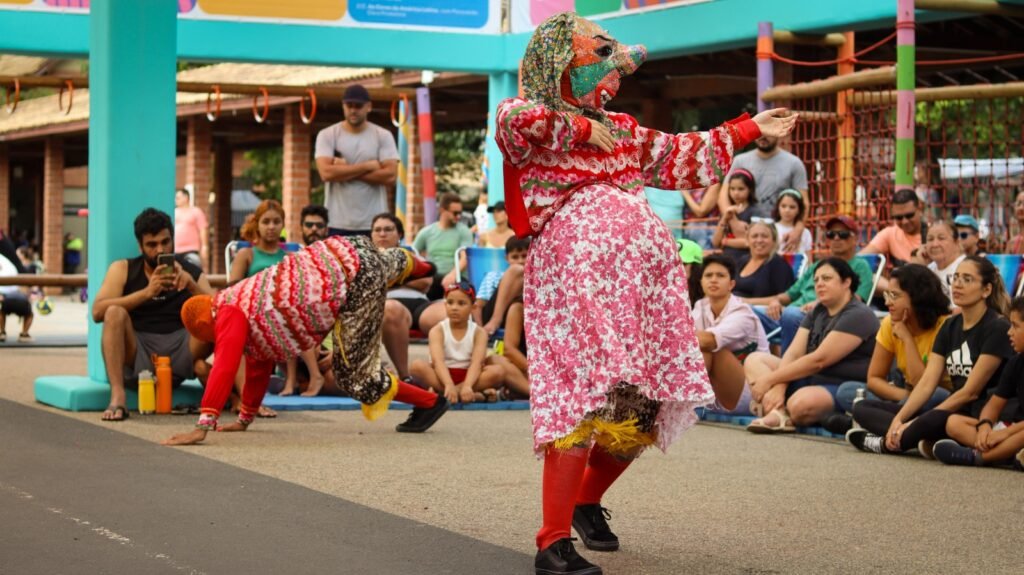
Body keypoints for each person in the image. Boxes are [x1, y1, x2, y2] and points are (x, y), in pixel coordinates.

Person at [494, 13, 796, 574]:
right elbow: (522, 125)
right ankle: (552, 542)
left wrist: (754, 128)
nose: (611, 78)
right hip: (575, 280)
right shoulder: (523, 113)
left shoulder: (625, 128)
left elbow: (685, 155)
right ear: (557, 63)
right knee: (582, 399)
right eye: (596, 59)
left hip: (643, 288)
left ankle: (585, 503)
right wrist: (584, 129)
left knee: (644, 400)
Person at [163, 235, 445, 446]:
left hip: (355, 279)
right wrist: (245, 418)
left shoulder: (227, 314)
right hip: (344, 250)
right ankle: (423, 267)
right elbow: (259, 367)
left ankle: (430, 403)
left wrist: (203, 425)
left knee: (355, 376)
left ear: (204, 326)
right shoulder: (242, 307)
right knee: (384, 260)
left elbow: (225, 367)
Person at [847, 256, 1012, 457]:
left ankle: (886, 443)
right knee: (862, 407)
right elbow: (926, 383)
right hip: (955, 411)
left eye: (967, 280)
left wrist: (920, 420)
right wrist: (900, 418)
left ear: (986, 290)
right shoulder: (950, 326)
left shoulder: (997, 327)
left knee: (935, 419)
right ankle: (917, 438)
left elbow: (970, 392)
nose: (958, 284)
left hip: (982, 416)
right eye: (956, 278)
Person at [92, 208, 215, 422]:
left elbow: (221, 310)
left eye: (165, 242)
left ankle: (243, 397)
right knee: (113, 312)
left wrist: (192, 287)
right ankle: (118, 396)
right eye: (152, 245)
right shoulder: (123, 268)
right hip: (139, 350)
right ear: (140, 246)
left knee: (219, 314)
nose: (160, 249)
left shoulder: (190, 271)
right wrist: (146, 293)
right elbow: (97, 312)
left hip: (183, 349)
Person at [744, 258, 879, 431]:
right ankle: (779, 413)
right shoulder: (817, 310)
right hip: (812, 378)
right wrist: (779, 387)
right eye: (816, 280)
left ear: (847, 282)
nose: (819, 284)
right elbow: (793, 354)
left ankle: (779, 410)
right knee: (755, 360)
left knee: (800, 404)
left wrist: (770, 379)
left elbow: (819, 360)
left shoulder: (858, 314)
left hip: (843, 385)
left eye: (827, 279)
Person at [823, 264, 952, 435]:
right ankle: (905, 427)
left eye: (895, 296)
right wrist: (905, 397)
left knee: (936, 396)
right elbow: (874, 379)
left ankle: (869, 423)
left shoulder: (945, 326)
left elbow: (923, 385)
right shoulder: (889, 324)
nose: (887, 302)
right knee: (847, 391)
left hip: (938, 398)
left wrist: (906, 338)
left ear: (918, 297)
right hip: (905, 395)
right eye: (887, 294)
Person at [745, 215, 874, 352]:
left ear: (855, 239)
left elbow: (857, 299)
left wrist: (820, 303)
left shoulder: (861, 266)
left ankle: (789, 368)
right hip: (789, 313)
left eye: (843, 234)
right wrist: (775, 301)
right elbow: (789, 295)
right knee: (746, 312)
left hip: (821, 319)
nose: (836, 238)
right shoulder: (817, 266)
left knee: (791, 314)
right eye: (831, 234)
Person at [932, 294, 1024, 468]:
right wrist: (985, 427)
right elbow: (994, 404)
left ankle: (978, 457)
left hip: (1018, 432)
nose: (1009, 332)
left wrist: (1005, 434)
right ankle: (1007, 455)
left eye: (1015, 326)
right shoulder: (1016, 361)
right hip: (1013, 427)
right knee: (954, 423)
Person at [409, 280, 523, 403]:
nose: (454, 308)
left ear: (472, 307)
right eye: (450, 303)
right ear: (445, 305)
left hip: (469, 376)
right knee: (416, 366)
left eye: (461, 303)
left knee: (498, 371)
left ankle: (445, 394)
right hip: (442, 375)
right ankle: (470, 395)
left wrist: (468, 385)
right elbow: (438, 362)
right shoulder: (437, 330)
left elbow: (477, 363)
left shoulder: (479, 332)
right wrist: (448, 384)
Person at [314, 84, 399, 236]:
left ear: (369, 107)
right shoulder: (327, 135)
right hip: (336, 221)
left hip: (375, 224)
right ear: (343, 106)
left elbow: (391, 176)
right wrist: (367, 166)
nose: (353, 110)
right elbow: (326, 173)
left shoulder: (382, 135)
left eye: (358, 106)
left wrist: (343, 170)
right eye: (349, 105)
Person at [711, 121, 808, 252]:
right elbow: (723, 195)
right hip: (744, 231)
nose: (762, 137)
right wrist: (734, 223)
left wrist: (798, 228)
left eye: (767, 132)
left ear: (778, 132)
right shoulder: (740, 161)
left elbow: (804, 201)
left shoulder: (794, 163)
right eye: (758, 132)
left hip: (777, 235)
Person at [692, 254, 770, 415]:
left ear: (731, 284)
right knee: (690, 347)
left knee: (711, 350)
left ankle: (687, 404)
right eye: (708, 275)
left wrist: (667, 338)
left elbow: (708, 341)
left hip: (752, 392)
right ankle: (684, 403)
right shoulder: (701, 306)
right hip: (716, 389)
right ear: (701, 282)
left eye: (720, 275)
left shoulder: (742, 312)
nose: (713, 280)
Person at [375, 212, 438, 381]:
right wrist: (407, 276)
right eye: (378, 230)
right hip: (387, 304)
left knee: (448, 313)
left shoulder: (410, 256)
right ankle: (405, 377)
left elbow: (425, 282)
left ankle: (449, 377)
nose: (382, 234)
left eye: (388, 229)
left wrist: (390, 279)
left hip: (420, 304)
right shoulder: (368, 259)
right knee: (392, 310)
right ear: (371, 234)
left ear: (399, 234)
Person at [279, 204, 332, 397]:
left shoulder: (332, 258)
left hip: (326, 332)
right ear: (301, 228)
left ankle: (303, 379)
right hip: (300, 332)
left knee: (333, 383)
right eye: (309, 225)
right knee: (290, 312)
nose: (314, 229)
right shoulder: (295, 259)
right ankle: (294, 379)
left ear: (326, 229)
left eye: (319, 225)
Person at [412, 192, 474, 300]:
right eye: (455, 213)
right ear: (442, 210)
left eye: (460, 213)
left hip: (457, 277)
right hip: (433, 277)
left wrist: (452, 275)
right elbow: (413, 253)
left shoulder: (464, 231)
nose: (458, 217)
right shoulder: (427, 232)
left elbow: (465, 257)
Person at [475, 236, 529, 335]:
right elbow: (477, 306)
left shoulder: (537, 279)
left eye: (524, 256)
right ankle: (496, 319)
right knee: (516, 270)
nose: (520, 261)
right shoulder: (494, 276)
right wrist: (480, 330)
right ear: (507, 259)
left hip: (520, 318)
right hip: (490, 318)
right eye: (515, 257)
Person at [859, 189, 924, 267]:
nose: (905, 221)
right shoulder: (890, 234)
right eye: (898, 217)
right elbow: (861, 258)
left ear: (919, 209)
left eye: (909, 215)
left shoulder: (933, 235)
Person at [733, 220, 794, 299]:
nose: (759, 240)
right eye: (754, 236)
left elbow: (784, 299)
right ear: (747, 241)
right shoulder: (742, 261)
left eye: (764, 236)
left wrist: (743, 302)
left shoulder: (779, 265)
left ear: (774, 241)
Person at [711, 169, 756, 262]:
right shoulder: (728, 211)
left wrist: (725, 241)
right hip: (727, 260)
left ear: (750, 189)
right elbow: (715, 242)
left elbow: (749, 242)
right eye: (732, 189)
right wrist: (725, 218)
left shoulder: (755, 212)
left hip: (746, 259)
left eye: (741, 189)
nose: (736, 193)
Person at [925, 219, 965, 301]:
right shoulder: (928, 270)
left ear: (957, 242)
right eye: (930, 239)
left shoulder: (967, 267)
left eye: (941, 238)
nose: (935, 244)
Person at [0, 253, 33, 343]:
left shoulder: (12, 265)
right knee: (29, 314)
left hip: (8, 299)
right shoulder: (16, 266)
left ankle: (2, 332)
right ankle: (24, 333)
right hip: (20, 300)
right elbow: (27, 290)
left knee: (2, 312)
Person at [173, 188, 209, 270]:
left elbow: (202, 229)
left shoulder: (196, 211)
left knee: (194, 271)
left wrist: (204, 246)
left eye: (178, 198)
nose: (176, 200)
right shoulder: (174, 211)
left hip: (191, 250)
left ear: (186, 198)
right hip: (175, 250)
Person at [772, 189, 812, 255]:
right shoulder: (772, 229)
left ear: (799, 210)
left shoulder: (805, 232)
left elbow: (809, 259)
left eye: (792, 207)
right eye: (783, 206)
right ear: (778, 207)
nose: (787, 210)